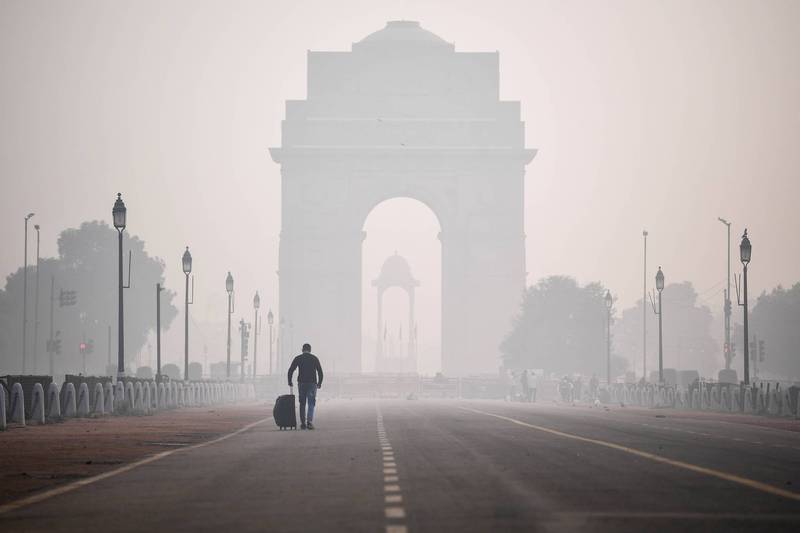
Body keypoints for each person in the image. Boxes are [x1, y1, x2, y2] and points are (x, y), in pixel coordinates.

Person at [288, 343, 324, 430]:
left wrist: (290, 381)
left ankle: (303, 423)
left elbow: (291, 370)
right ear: (310, 350)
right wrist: (319, 383)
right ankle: (309, 422)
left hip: (302, 384)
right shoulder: (314, 358)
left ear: (302, 350)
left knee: (302, 403)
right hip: (312, 384)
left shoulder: (298, 358)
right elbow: (320, 371)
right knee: (311, 403)